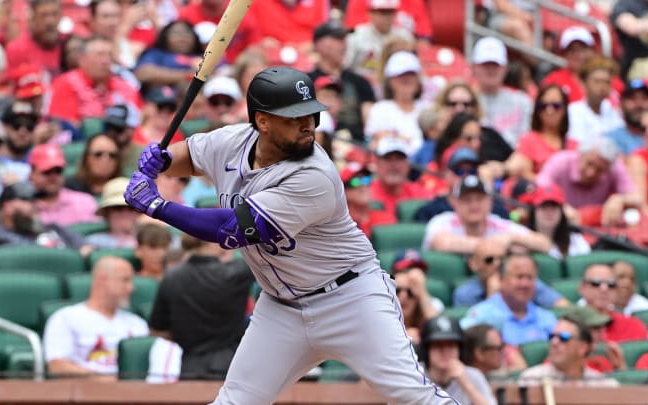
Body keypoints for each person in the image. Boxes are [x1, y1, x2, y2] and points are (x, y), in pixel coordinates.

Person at [124, 66, 461, 404]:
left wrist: (156, 206)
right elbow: (189, 158)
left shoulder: (315, 174)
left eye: (311, 115)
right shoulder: (231, 142)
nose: (308, 125)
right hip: (281, 307)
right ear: (262, 121)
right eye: (293, 116)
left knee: (414, 397)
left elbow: (232, 230)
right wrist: (161, 160)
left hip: (350, 297)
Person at [149, 233, 254, 380]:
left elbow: (157, 330)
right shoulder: (237, 272)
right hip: (231, 364)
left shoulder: (172, 276)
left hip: (189, 365)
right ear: (214, 242)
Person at [43, 256, 149, 379]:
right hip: (82, 394)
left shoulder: (137, 323)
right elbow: (57, 366)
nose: (131, 288)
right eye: (125, 280)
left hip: (133, 394)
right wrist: (108, 381)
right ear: (102, 280)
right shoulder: (65, 317)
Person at [423, 175, 551, 255]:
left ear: (490, 202)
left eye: (479, 199)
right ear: (455, 203)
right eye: (467, 200)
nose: (474, 205)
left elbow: (544, 243)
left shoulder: (498, 224)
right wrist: (501, 247)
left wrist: (512, 239)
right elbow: (441, 243)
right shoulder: (442, 221)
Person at [535, 136, 643, 226]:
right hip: (560, 227)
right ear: (580, 155)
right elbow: (537, 188)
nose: (591, 173)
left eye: (599, 170)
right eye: (589, 163)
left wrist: (620, 199)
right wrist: (560, 206)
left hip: (595, 229)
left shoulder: (615, 167)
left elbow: (638, 199)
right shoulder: (561, 161)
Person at [461, 253, 558, 346]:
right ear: (501, 280)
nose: (525, 284)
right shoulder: (482, 315)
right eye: (519, 277)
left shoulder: (547, 318)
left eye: (530, 278)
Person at [452, 238, 568, 309]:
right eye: (489, 260)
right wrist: (493, 294)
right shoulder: (465, 294)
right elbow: (476, 332)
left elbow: (563, 306)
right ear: (474, 264)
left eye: (502, 259)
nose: (497, 264)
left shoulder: (526, 282)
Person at [0, 182, 88, 251]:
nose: (36, 205)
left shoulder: (55, 228)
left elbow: (87, 250)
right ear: (8, 206)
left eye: (36, 200)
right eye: (29, 200)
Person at [518, 315, 620, 387]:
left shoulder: (604, 386)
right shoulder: (531, 380)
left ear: (582, 347)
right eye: (552, 336)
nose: (554, 342)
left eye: (563, 337)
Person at [419, 315, 497, 405]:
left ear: (459, 349)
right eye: (438, 345)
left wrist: (465, 382)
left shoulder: (472, 375)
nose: (445, 352)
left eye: (451, 345)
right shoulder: (415, 373)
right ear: (426, 350)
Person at [471, 37, 532, 149]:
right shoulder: (463, 101)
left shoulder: (522, 101)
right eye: (485, 64)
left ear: (505, 68)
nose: (491, 69)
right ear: (474, 67)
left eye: (495, 65)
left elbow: (527, 140)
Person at [505, 85, 577, 180]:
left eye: (556, 106)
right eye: (543, 106)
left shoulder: (573, 145)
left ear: (564, 109)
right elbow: (524, 174)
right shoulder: (529, 139)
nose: (549, 110)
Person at [28, 143, 100, 227]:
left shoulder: (85, 202)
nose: (53, 177)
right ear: (32, 174)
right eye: (47, 171)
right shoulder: (24, 208)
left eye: (58, 171)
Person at [577, 264, 648, 342]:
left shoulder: (634, 326)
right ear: (582, 289)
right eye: (596, 283)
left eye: (611, 284)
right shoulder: (570, 326)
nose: (604, 289)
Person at [566, 56, 624, 142]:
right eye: (597, 81)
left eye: (607, 82)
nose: (602, 87)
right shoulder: (572, 112)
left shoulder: (614, 112)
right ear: (584, 83)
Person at [391, 249, 442, 347]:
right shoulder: (380, 305)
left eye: (410, 292)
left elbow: (440, 331)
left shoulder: (431, 304)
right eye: (398, 290)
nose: (404, 296)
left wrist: (422, 294)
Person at [525, 184, 591, 259]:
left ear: (562, 212)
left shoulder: (576, 241)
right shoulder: (522, 235)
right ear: (534, 211)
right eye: (544, 206)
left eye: (554, 206)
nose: (549, 212)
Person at [541, 26, 596, 103]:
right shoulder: (554, 80)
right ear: (564, 54)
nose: (579, 55)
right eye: (572, 50)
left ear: (592, 51)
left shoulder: (606, 79)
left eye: (583, 48)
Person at [341, 161, 396, 238]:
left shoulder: (386, 218)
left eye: (366, 179)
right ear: (343, 191)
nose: (363, 186)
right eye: (355, 182)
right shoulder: (341, 225)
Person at [85, 177, 139, 249]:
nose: (125, 213)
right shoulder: (94, 242)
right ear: (107, 212)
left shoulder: (149, 241)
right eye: (118, 208)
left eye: (131, 208)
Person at [461, 323, 527, 378]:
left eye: (503, 346)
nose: (503, 352)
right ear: (479, 353)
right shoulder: (462, 380)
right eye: (499, 348)